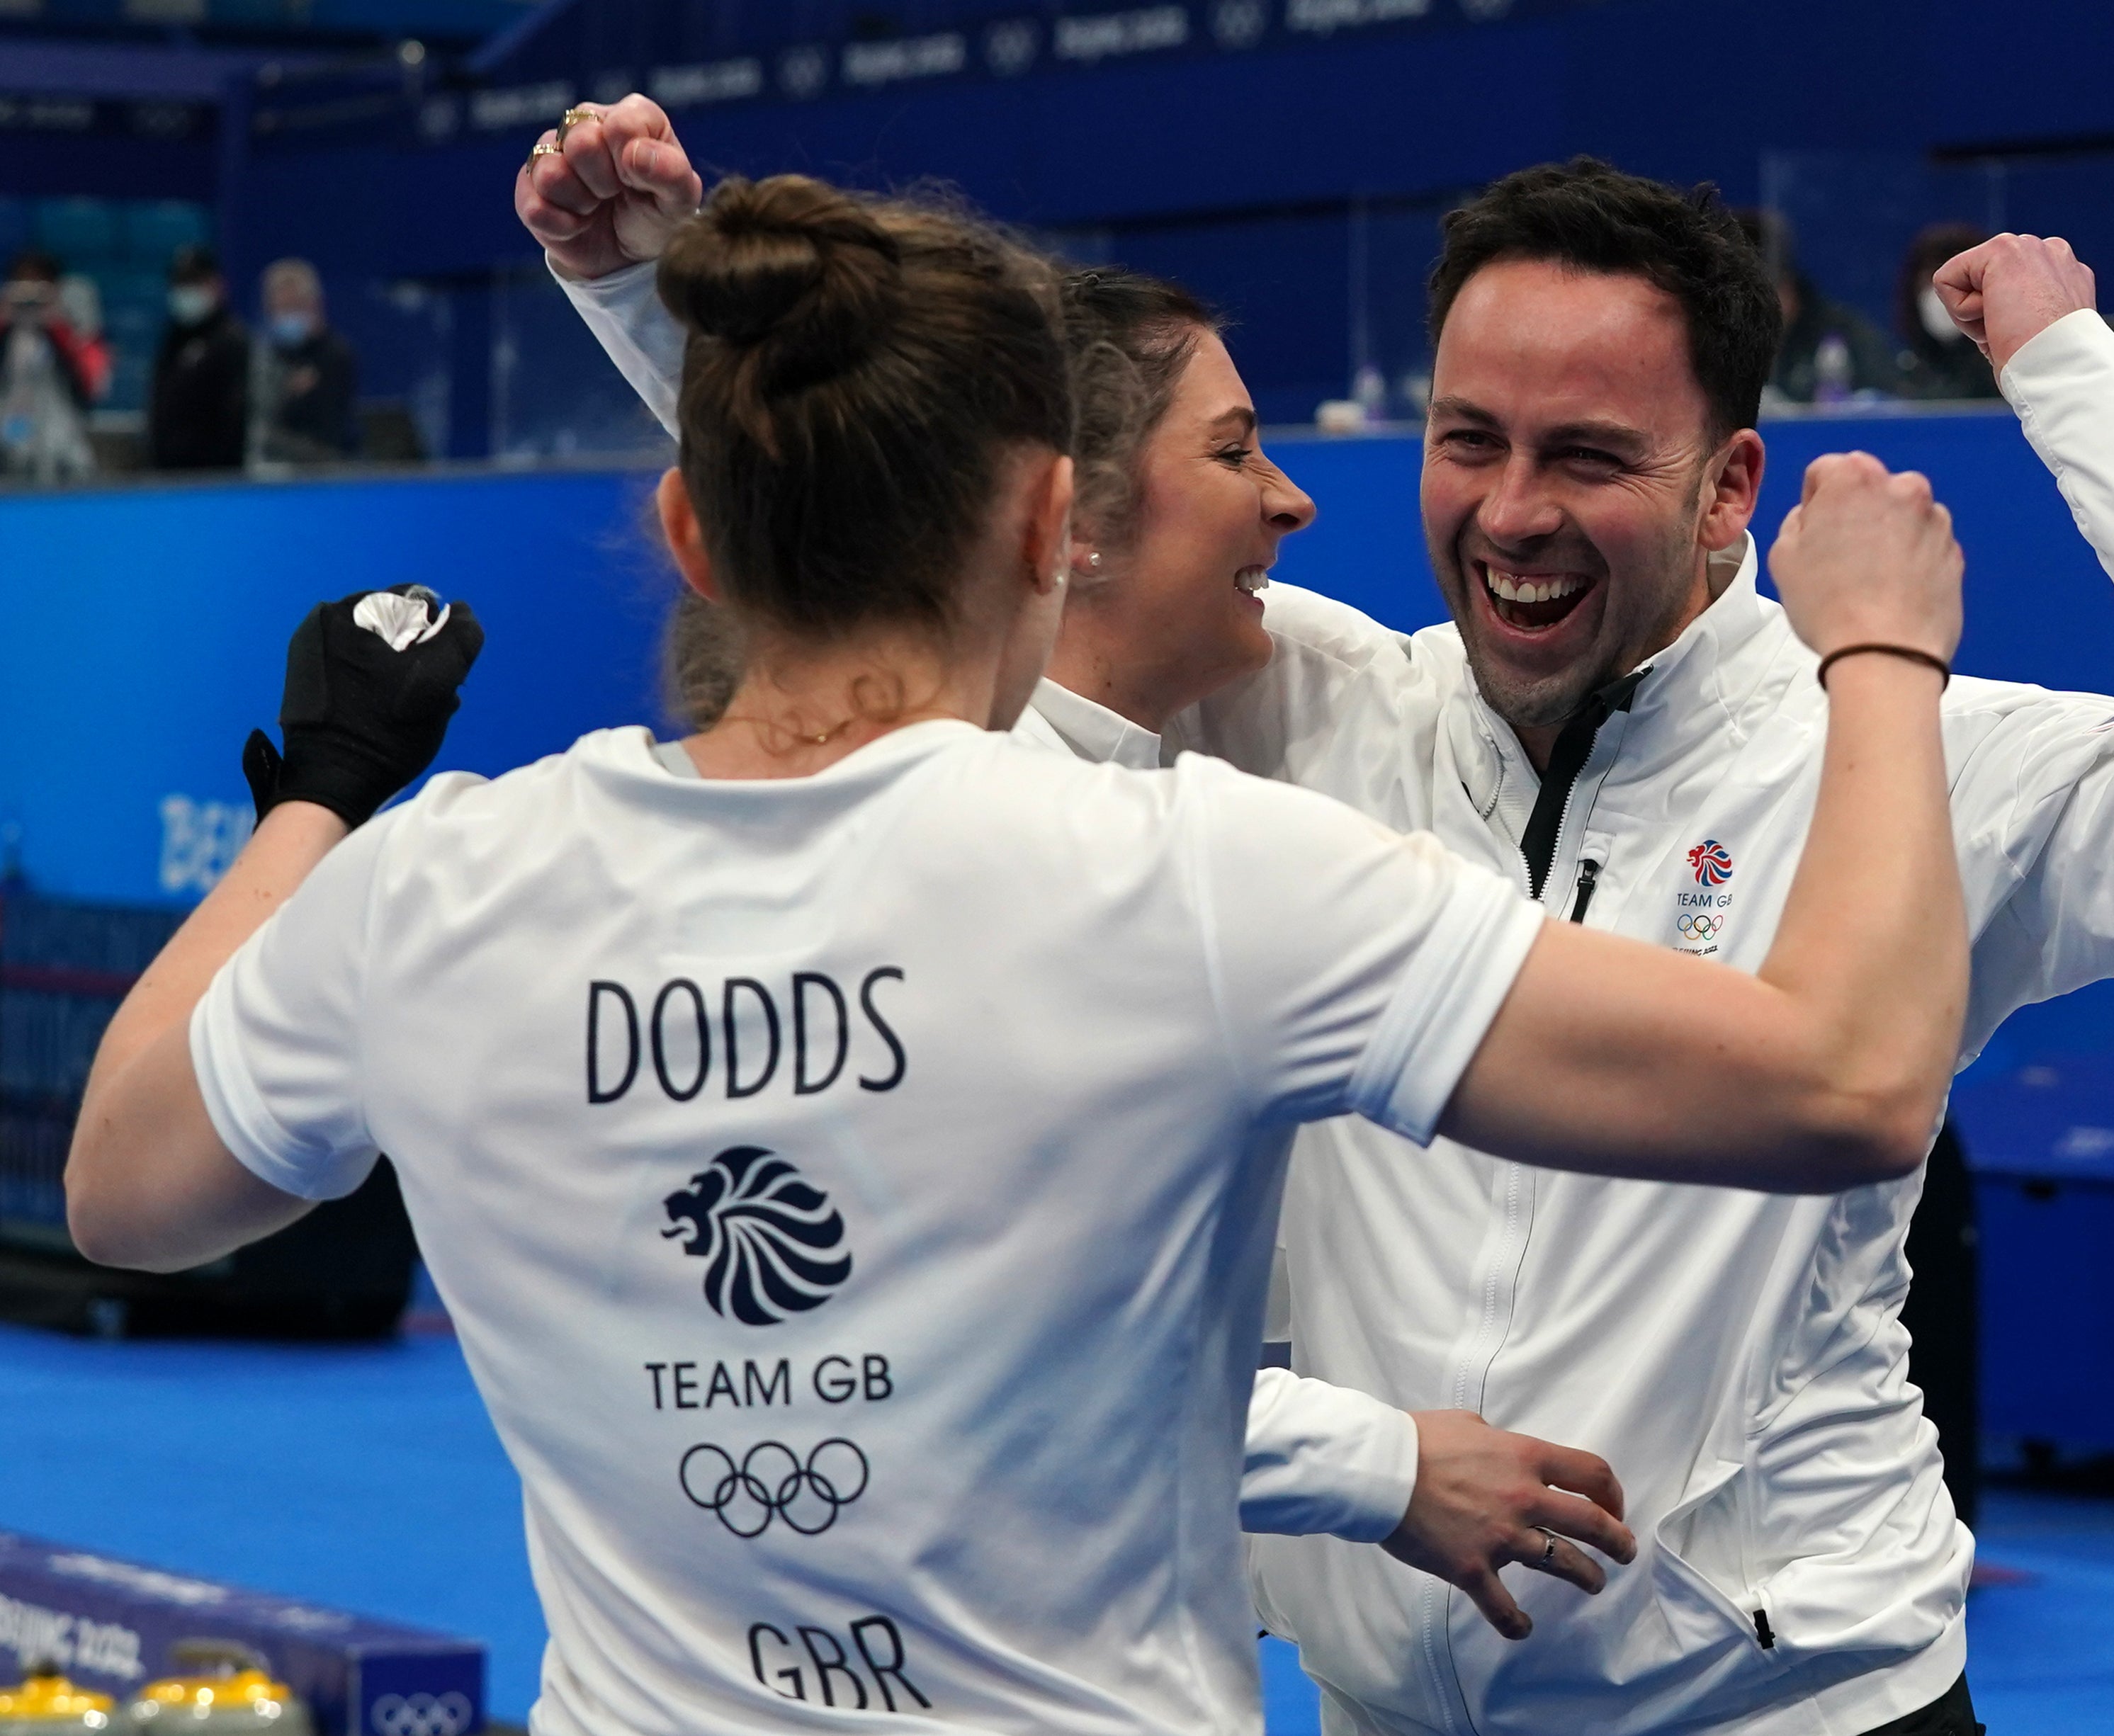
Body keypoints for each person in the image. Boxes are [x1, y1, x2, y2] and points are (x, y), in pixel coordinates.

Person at [541, 124, 2114, 1736]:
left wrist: (2065, 372)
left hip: (1794, 1706)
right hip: (1364, 1700)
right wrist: (668, 312)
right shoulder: (1319, 709)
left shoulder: (1905, 757)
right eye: (1464, 439)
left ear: (1726, 487)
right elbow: (911, 564)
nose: (1506, 513)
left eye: (1584, 454)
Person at [68, 173, 1974, 1736]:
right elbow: (1846, 1080)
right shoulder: (1208, 884)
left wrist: (321, 798)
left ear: (690, 531)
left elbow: (126, 1186)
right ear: (1053, 520)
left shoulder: (448, 887)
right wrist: (1876, 657)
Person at [524, 99, 1649, 1621]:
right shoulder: (932, 832)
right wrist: (1379, 1464)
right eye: (1239, 448)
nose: (1298, 495)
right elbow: (974, 1338)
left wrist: (660, 283)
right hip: (915, 1592)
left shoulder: (1271, 678)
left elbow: (858, 490)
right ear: (1078, 519)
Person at [1734, 207, 1899, 406]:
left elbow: (1888, 395)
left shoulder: (1844, 335)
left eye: (1757, 292)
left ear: (1785, 284)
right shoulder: (1717, 343)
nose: (1747, 308)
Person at [1, 251, 107, 484]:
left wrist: (57, 328)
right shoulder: (8, 332)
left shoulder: (75, 331)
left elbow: (92, 386)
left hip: (64, 452)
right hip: (9, 452)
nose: (30, 299)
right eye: (22, 287)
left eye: (38, 287)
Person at [250, 258, 361, 464]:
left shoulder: (336, 355)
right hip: (275, 473)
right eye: (279, 309)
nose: (286, 316)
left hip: (327, 474)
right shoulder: (270, 358)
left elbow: (330, 436)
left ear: (315, 305)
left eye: (294, 307)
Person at [149, 245, 249, 471]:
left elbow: (234, 418)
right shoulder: (173, 338)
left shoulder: (231, 340)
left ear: (217, 285)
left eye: (194, 282)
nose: (186, 290)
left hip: (214, 479)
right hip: (170, 476)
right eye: (180, 283)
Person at [1894, 222, 1999, 401]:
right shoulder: (1906, 370)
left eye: (1959, 282)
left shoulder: (2004, 373)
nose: (1941, 295)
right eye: (1930, 279)